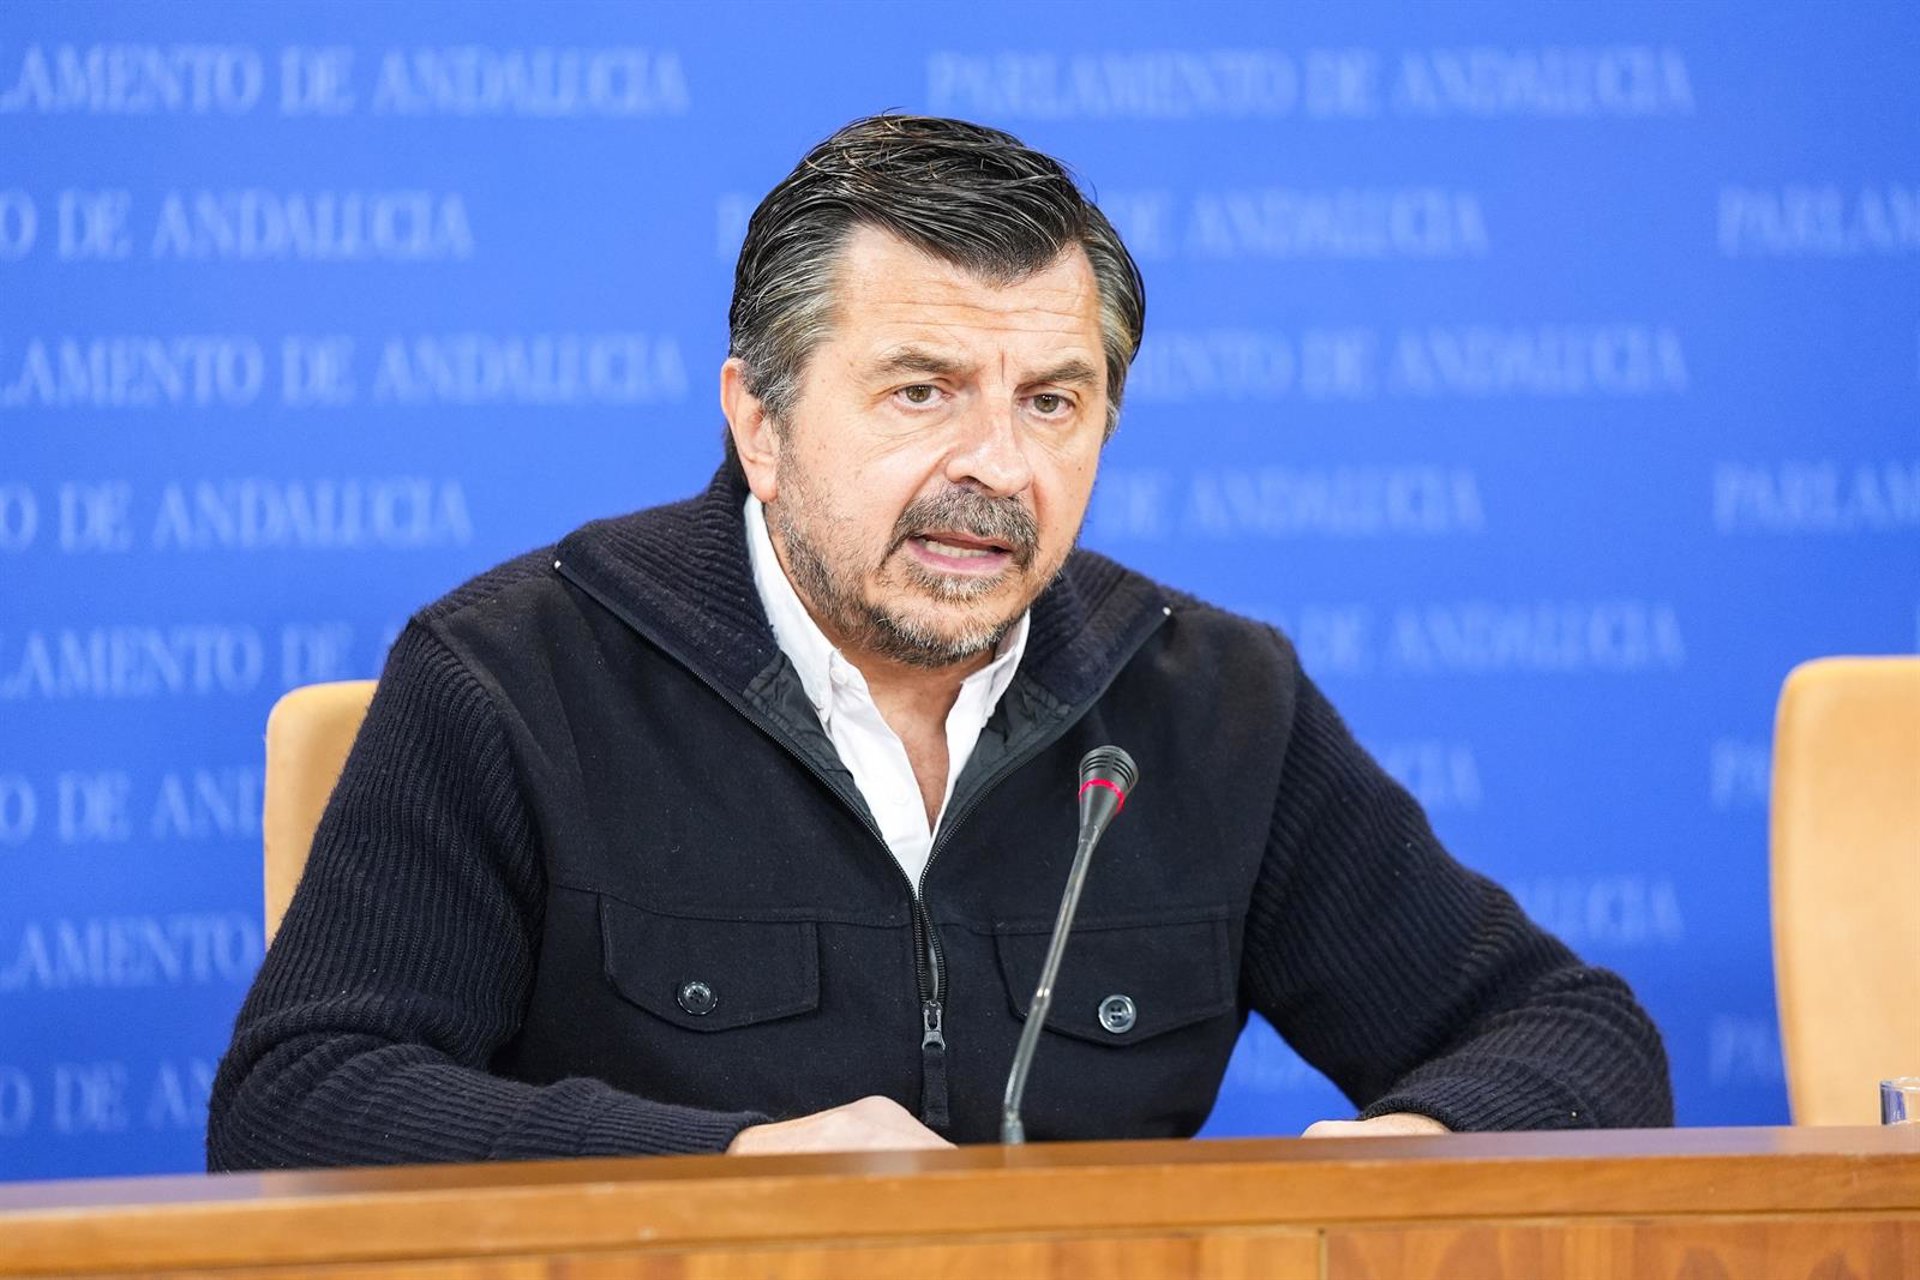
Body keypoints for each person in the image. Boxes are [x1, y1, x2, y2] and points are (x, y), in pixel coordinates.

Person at [207, 115, 1671, 1168]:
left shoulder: (1212, 703)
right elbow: (301, 1100)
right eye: (921, 391)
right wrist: (732, 1165)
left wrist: (1403, 1155)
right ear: (760, 421)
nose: (998, 467)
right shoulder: (518, 676)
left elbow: (1575, 1036)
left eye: (1053, 401)